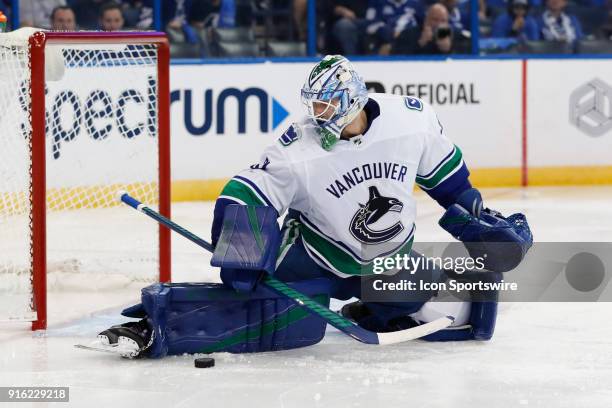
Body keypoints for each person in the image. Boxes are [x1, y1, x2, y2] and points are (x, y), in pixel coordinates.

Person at [95, 55, 532, 358]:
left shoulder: (411, 121)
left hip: (386, 261)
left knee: (448, 309)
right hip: (314, 257)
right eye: (314, 105)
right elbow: (251, 190)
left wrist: (475, 217)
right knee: (275, 319)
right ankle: (160, 323)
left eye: (325, 104)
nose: (316, 114)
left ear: (350, 99)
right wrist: (244, 248)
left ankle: (374, 307)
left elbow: (448, 178)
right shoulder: (298, 144)